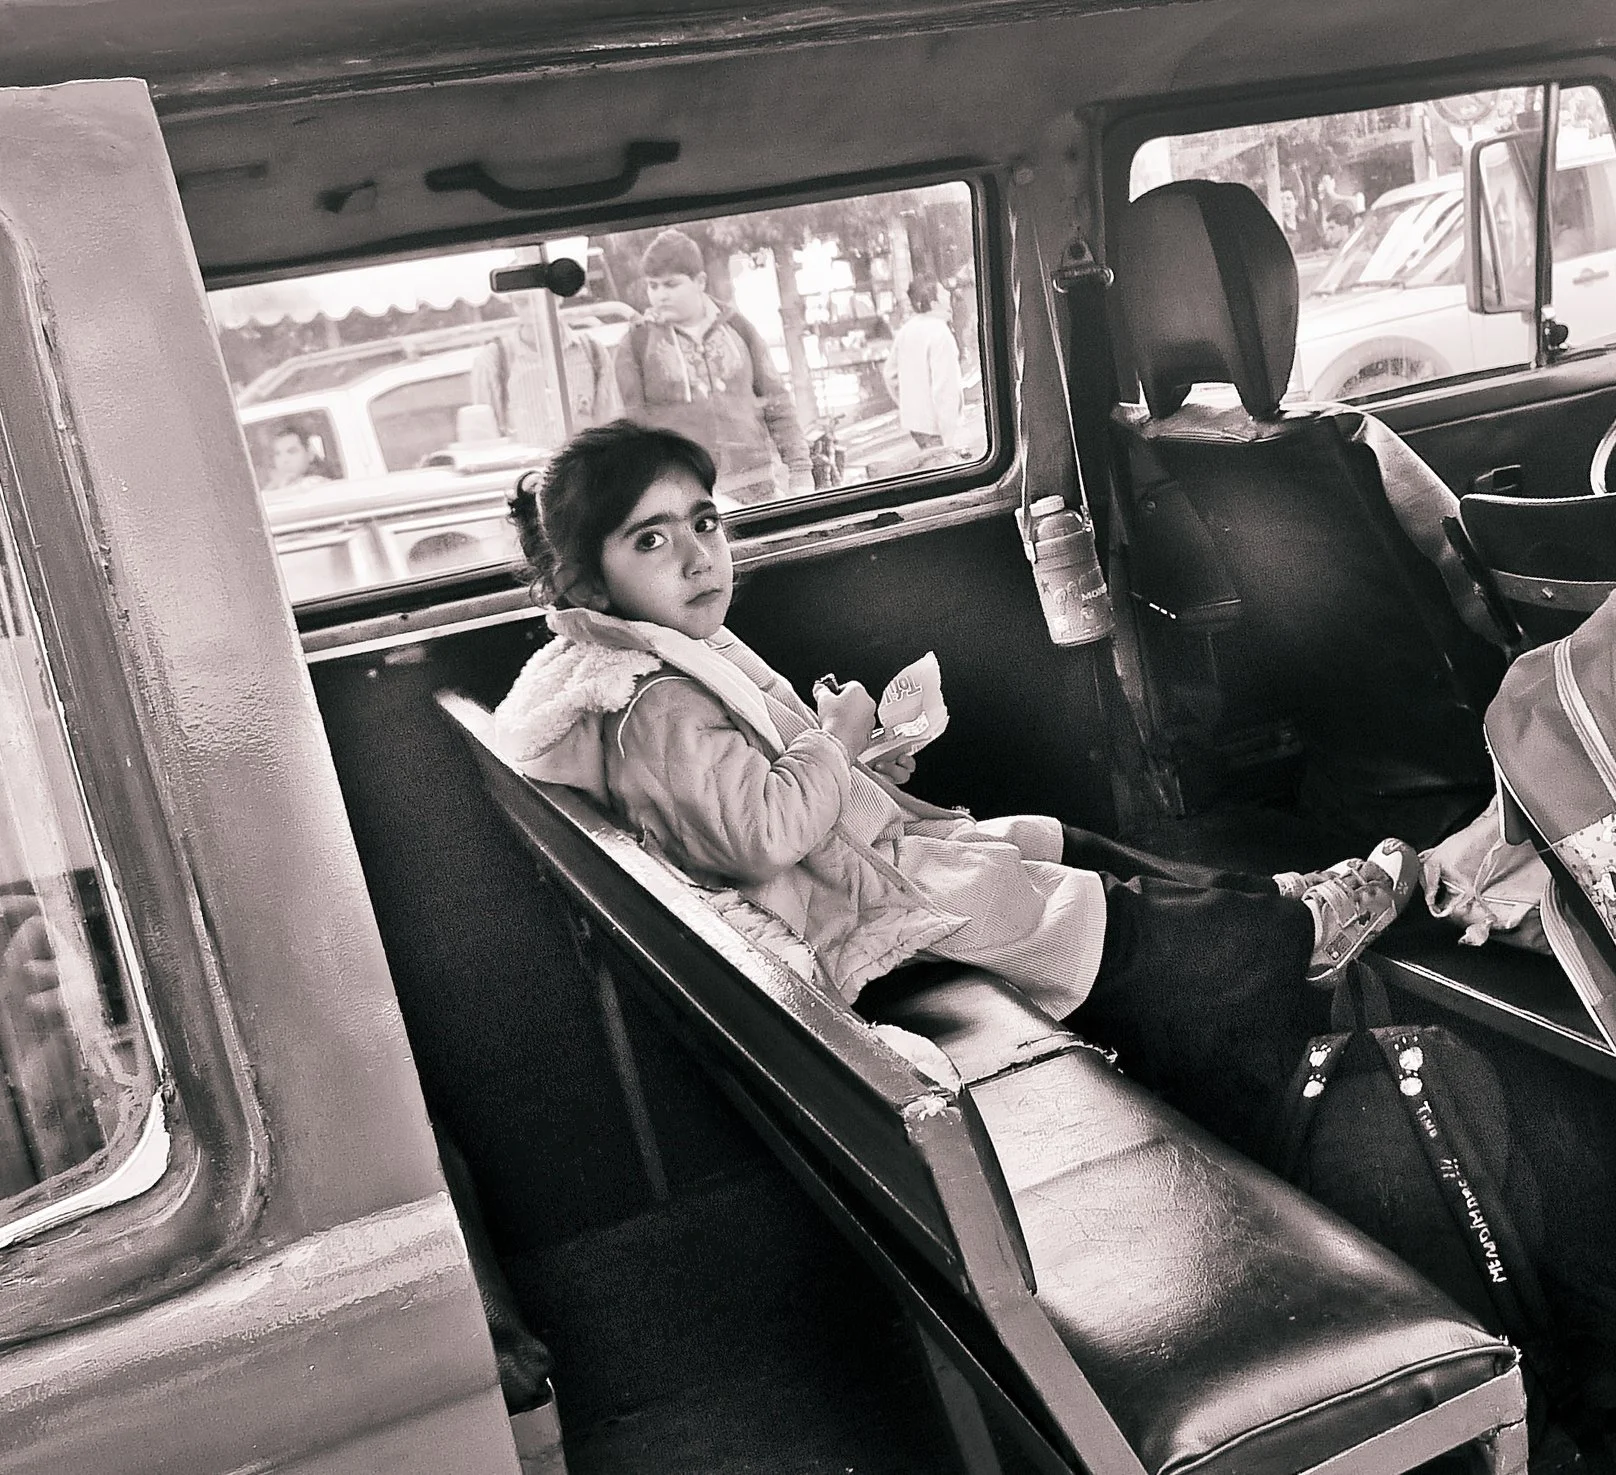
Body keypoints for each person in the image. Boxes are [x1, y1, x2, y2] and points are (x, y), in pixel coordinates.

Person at [489, 422, 1414, 1153]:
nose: (698, 555)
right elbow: (761, 835)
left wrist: (860, 762)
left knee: (1055, 840)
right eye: (652, 538)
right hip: (856, 921)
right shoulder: (655, 708)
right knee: (1094, 919)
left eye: (705, 521)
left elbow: (759, 801)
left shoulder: (675, 663)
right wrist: (836, 747)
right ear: (587, 582)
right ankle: (1294, 930)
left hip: (854, 871)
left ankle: (1267, 899)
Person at [614, 229, 812, 504]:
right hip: (683, 498)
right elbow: (632, 432)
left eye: (671, 285)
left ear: (700, 281)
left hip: (757, 488)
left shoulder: (739, 329)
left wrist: (800, 473)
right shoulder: (636, 344)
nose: (659, 295)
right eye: (653, 286)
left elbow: (777, 404)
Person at [471, 320, 619, 449]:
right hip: (524, 473)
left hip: (581, 469)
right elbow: (486, 443)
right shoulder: (493, 361)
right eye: (522, 300)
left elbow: (609, 429)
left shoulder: (593, 351)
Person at [889, 277, 963, 452]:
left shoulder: (907, 330)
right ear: (934, 303)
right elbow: (945, 390)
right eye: (943, 293)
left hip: (916, 425)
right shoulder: (940, 333)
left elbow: (890, 375)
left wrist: (909, 403)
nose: (948, 294)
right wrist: (950, 441)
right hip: (936, 428)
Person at [261, 426, 333, 491]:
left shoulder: (317, 483)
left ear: (310, 454)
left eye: (292, 452)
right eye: (278, 454)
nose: (284, 460)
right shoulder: (275, 486)